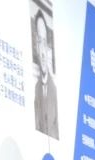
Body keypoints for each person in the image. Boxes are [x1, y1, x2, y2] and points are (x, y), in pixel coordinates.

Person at [32, 11, 58, 140]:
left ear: (48, 47)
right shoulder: (35, 90)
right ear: (36, 47)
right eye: (39, 42)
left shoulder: (56, 90)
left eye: (44, 42)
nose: (42, 52)